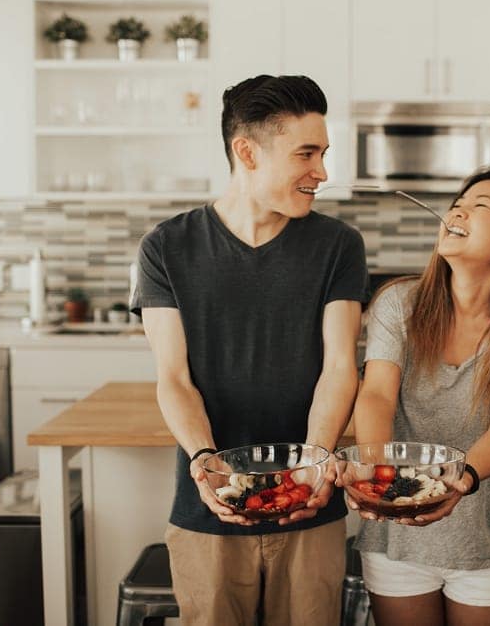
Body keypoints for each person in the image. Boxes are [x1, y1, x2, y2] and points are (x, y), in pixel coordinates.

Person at [133, 73, 367, 626]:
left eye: (324, 153)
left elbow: (339, 367)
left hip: (312, 506)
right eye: (306, 153)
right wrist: (205, 461)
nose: (322, 173)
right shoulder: (166, 248)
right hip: (207, 507)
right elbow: (174, 378)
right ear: (248, 152)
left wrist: (314, 463)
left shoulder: (338, 245)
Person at [351, 167, 490, 625]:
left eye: (480, 205)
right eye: (458, 202)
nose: (458, 209)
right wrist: (374, 467)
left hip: (487, 542)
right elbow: (377, 396)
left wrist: (460, 480)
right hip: (397, 544)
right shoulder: (397, 303)